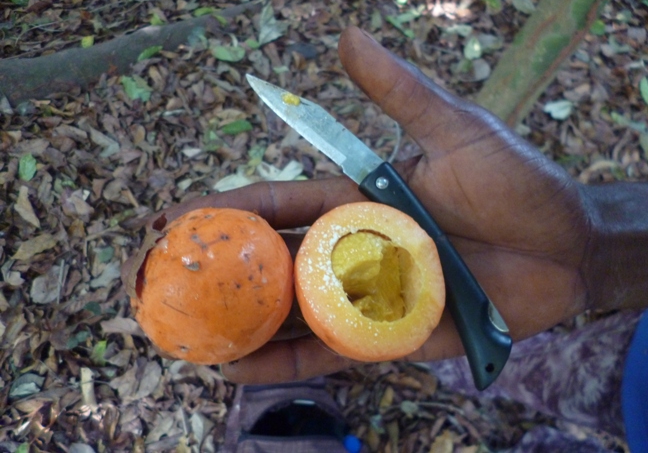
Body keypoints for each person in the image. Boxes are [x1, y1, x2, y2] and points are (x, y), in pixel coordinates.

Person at [131, 27, 648, 451]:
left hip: (624, 393)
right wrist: (589, 246)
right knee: (558, 379)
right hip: (626, 366)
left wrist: (591, 248)